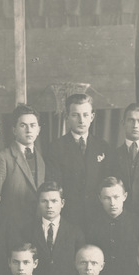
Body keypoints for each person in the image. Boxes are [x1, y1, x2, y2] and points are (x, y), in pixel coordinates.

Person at [45, 93, 112, 225]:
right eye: (75, 115)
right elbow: (55, 187)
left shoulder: (103, 146)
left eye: (85, 115)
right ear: (67, 117)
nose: (81, 120)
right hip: (69, 217)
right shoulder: (56, 148)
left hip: (98, 216)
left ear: (92, 117)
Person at [0, 104, 47, 232]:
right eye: (23, 125)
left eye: (33, 125)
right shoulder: (2, 159)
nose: (29, 130)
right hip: (10, 231)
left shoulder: (41, 159)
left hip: (36, 230)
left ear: (38, 130)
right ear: (14, 130)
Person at [26, 181, 86, 275]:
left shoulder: (75, 232)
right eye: (44, 201)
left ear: (62, 203)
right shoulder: (28, 231)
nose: (49, 206)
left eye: (54, 201)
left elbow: (81, 263)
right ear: (38, 203)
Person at [85, 177, 139, 275]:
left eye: (116, 197)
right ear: (100, 198)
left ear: (124, 196)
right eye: (107, 198)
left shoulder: (138, 224)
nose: (112, 203)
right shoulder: (92, 225)